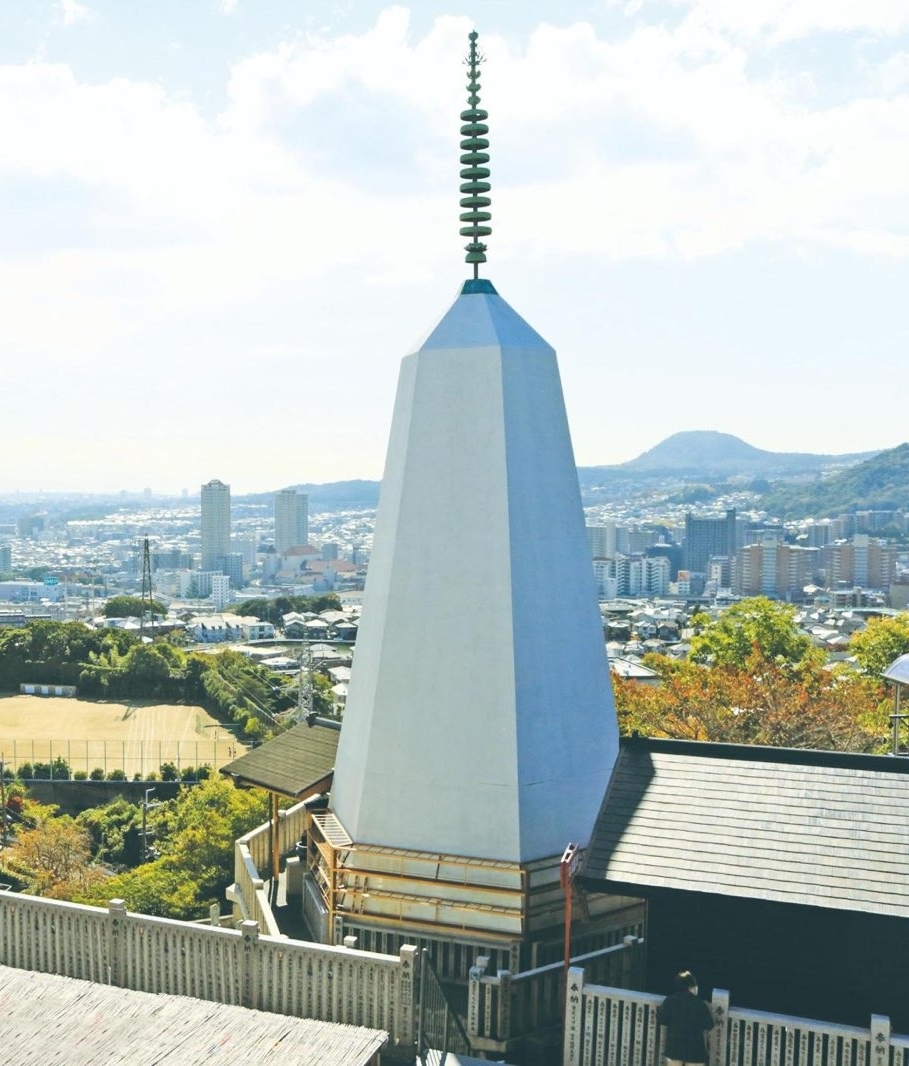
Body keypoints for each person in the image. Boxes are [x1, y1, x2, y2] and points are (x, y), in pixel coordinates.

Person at [657, 970, 715, 1066]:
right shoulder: (700, 1004)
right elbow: (709, 1025)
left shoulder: (669, 1001)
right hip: (695, 1051)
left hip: (674, 1048)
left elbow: (661, 1020)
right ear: (691, 987)